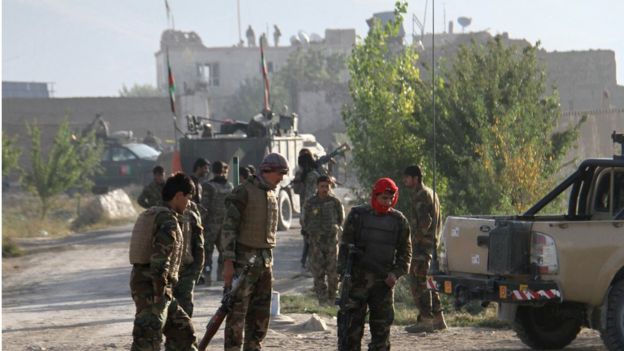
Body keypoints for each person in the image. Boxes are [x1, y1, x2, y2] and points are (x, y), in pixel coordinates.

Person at [220, 153, 289, 351]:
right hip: (244, 263)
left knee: (260, 315)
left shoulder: (270, 194)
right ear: (266, 171)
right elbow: (228, 229)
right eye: (280, 173)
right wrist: (228, 263)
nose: (282, 178)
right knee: (237, 315)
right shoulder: (243, 192)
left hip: (265, 262)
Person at [337, 177, 412, 351]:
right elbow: (345, 248)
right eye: (383, 198)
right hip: (356, 283)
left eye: (390, 199)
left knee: (381, 335)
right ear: (375, 195)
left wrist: (395, 274)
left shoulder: (399, 221)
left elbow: (405, 253)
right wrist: (343, 276)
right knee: (350, 334)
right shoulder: (357, 215)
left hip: (383, 285)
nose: (387, 202)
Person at [129, 173, 198, 350]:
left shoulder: (153, 213)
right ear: (178, 196)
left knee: (183, 333)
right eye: (188, 197)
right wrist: (160, 295)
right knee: (147, 341)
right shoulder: (168, 220)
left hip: (153, 286)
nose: (189, 203)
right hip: (153, 289)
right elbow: (159, 261)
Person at [402, 165, 447, 333]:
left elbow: (425, 222)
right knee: (428, 282)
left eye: (407, 178)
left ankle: (425, 319)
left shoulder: (421, 195)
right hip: (431, 244)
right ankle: (438, 319)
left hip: (422, 246)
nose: (405, 181)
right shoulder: (431, 192)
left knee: (418, 282)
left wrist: (414, 241)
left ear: (415, 178)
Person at [303, 175, 344, 304]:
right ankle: (322, 299)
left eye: (327, 186)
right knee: (318, 272)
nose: (324, 189)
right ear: (317, 187)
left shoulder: (335, 202)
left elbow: (340, 219)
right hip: (316, 243)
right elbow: (305, 221)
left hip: (331, 242)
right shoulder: (310, 203)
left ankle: (332, 298)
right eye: (322, 186)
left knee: (333, 273)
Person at [173, 182, 205, 317]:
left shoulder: (192, 211)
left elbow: (199, 242)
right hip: (169, 269)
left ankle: (182, 337)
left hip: (186, 267)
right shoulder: (163, 209)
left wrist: (197, 270)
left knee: (185, 308)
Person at [200, 160, 234, 285]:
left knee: (207, 252)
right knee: (224, 252)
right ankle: (221, 275)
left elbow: (204, 207)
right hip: (225, 226)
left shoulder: (208, 186)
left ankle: (208, 274)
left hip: (211, 225)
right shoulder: (229, 186)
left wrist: (200, 223)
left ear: (213, 171)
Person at [297, 149, 321, 269]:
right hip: (309, 209)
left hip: (311, 211)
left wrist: (303, 214)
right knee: (308, 237)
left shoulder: (312, 176)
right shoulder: (308, 175)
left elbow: (309, 197)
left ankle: (310, 263)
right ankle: (307, 262)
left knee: (310, 238)